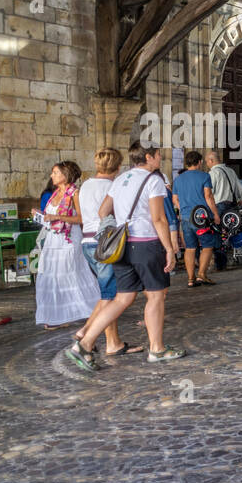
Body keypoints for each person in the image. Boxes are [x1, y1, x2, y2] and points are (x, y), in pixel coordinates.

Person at [65, 143, 184, 371]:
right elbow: (158, 219)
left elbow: (103, 211)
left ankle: (85, 344)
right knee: (156, 296)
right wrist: (169, 248)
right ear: (148, 157)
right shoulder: (153, 180)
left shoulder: (120, 180)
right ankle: (157, 349)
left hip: (121, 247)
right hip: (146, 244)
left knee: (122, 298)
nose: (160, 159)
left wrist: (116, 225)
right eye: (158, 155)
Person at [75, 149, 136, 355]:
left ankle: (113, 342)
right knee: (111, 296)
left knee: (107, 292)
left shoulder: (85, 186)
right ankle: (87, 332)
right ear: (118, 167)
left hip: (86, 241)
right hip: (106, 244)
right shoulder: (114, 186)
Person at [34, 160, 101, 330]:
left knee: (70, 274)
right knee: (52, 275)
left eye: (55, 172)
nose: (52, 176)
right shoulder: (55, 193)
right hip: (52, 239)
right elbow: (52, 216)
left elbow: (81, 218)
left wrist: (57, 218)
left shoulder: (75, 194)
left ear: (66, 175)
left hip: (69, 239)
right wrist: (41, 215)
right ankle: (57, 315)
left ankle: (95, 309)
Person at [173, 151, 220, 287]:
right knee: (207, 245)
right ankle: (201, 275)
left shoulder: (178, 179)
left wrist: (184, 209)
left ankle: (190, 279)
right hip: (201, 217)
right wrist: (216, 214)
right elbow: (208, 197)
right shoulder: (204, 176)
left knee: (190, 247)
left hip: (186, 217)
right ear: (199, 162)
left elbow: (175, 199)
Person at [205, 151, 242, 270]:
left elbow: (210, 193)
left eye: (207, 161)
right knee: (229, 232)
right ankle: (230, 255)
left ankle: (220, 263)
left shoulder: (213, 173)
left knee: (216, 233)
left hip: (219, 206)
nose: (207, 164)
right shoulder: (231, 171)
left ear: (211, 161)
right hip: (232, 206)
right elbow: (239, 190)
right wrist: (240, 199)